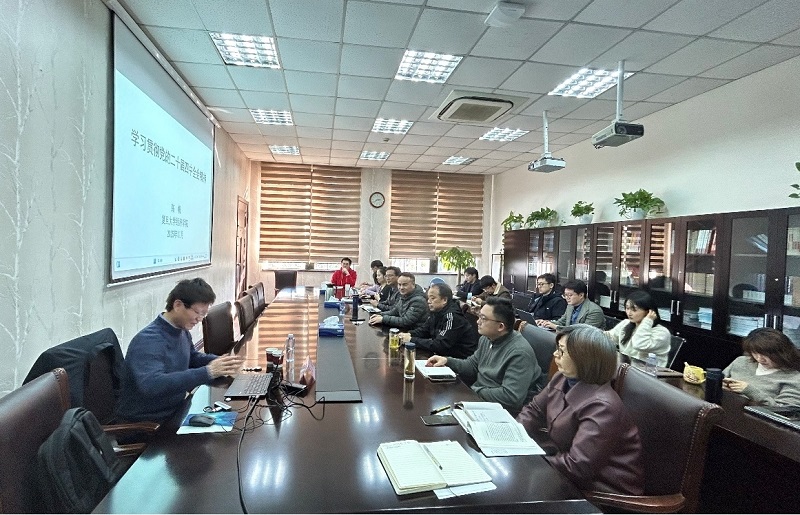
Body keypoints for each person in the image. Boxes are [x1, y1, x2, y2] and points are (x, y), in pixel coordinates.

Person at [517, 324, 644, 495]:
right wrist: (511, 436)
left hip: (603, 489)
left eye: (561, 351)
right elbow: (534, 411)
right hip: (567, 472)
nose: (555, 354)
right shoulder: (562, 378)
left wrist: (532, 463)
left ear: (584, 359)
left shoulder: (602, 406)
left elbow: (578, 466)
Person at [117, 278, 244, 422]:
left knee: (237, 421)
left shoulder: (181, 330)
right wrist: (208, 372)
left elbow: (192, 358)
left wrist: (222, 362)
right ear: (178, 305)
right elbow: (152, 385)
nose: (200, 319)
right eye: (197, 312)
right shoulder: (148, 340)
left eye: (204, 314)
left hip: (175, 409)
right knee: (228, 430)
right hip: (150, 422)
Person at [426, 297, 541, 413]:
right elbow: (472, 365)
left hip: (499, 409)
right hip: (479, 398)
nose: (477, 321)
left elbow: (510, 397)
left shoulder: (520, 353)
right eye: (479, 316)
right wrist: (447, 361)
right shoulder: (487, 338)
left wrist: (473, 390)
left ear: (501, 327)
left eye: (483, 318)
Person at [723, 327, 800, 408]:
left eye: (765, 355)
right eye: (755, 353)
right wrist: (720, 385)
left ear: (781, 353)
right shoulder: (741, 361)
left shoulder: (794, 378)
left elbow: (785, 411)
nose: (760, 359)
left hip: (752, 415)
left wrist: (750, 391)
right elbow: (719, 380)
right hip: (724, 408)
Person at [399, 283, 479, 359]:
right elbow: (424, 330)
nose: (428, 301)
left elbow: (441, 345)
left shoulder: (452, 316)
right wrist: (408, 334)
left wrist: (411, 340)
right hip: (443, 356)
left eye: (433, 298)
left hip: (458, 360)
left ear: (444, 300)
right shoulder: (436, 312)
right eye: (428, 298)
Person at [604, 290, 671, 366]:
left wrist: (648, 321)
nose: (629, 313)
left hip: (648, 371)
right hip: (626, 368)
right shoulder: (626, 323)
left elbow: (639, 344)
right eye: (627, 308)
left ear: (648, 312)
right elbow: (609, 337)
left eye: (634, 310)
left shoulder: (662, 332)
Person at [538, 280, 605, 330]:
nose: (567, 298)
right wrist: (546, 323)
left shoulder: (594, 311)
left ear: (581, 295)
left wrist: (557, 327)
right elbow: (561, 322)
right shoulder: (570, 306)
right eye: (565, 295)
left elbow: (584, 332)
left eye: (570, 295)